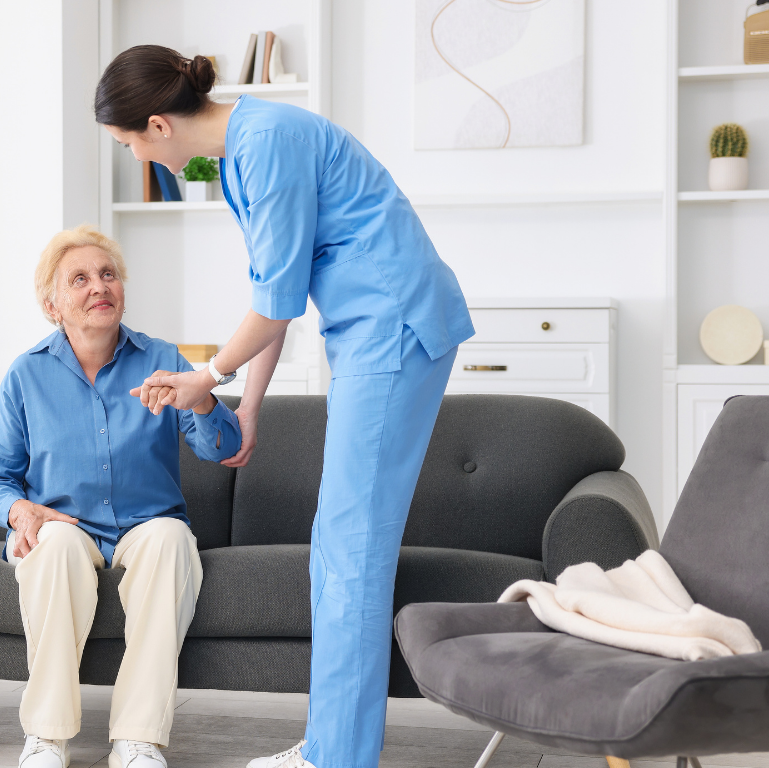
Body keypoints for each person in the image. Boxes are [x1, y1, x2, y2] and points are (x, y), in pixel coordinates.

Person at [94, 46, 475, 768]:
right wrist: (249, 404)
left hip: (393, 325)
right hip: (372, 330)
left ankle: (336, 757)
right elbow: (278, 291)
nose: (141, 159)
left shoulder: (264, 146)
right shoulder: (242, 154)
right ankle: (334, 746)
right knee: (342, 546)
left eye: (130, 146)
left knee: (350, 547)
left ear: (155, 126)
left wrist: (206, 376)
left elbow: (272, 306)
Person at [0, 225, 243, 768]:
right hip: (64, 525)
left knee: (170, 540)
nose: (99, 286)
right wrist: (19, 510)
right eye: (80, 279)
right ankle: (46, 739)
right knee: (52, 548)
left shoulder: (162, 358)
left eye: (108, 274)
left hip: (148, 524)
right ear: (53, 306)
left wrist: (205, 400)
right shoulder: (27, 375)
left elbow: (224, 449)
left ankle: (138, 741)